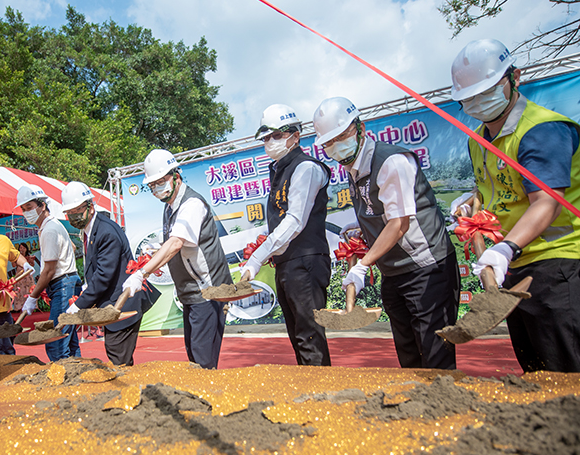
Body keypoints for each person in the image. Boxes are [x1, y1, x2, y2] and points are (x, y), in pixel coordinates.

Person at [450, 39, 580, 373]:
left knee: (564, 372)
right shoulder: (477, 140)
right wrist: (469, 205)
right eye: (469, 97)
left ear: (515, 77)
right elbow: (488, 191)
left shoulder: (541, 130)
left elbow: (546, 202)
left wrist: (505, 248)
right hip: (514, 267)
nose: (479, 102)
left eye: (487, 90)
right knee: (535, 370)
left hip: (558, 263)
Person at [313, 97, 459, 370]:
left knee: (435, 352)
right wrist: (362, 227)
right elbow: (380, 211)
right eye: (328, 142)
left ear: (361, 128)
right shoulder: (353, 169)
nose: (336, 145)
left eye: (342, 135)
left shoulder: (391, 161)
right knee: (408, 353)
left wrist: (363, 265)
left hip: (426, 268)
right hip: (394, 271)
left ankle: (447, 409)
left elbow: (399, 224)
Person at [122, 149, 232, 369]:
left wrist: (141, 273)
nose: (156, 188)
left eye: (160, 181)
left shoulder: (191, 204)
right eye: (152, 185)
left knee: (203, 361)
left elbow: (176, 243)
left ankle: (211, 399)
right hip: (190, 292)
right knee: (194, 356)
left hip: (207, 291)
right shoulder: (170, 207)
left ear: (176, 175)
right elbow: (176, 244)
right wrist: (158, 251)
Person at [241, 104, 332, 366]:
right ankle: (310, 393)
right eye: (266, 138)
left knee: (309, 336)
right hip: (287, 264)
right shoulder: (279, 170)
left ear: (295, 136)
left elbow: (294, 221)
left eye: (277, 136)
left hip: (305, 262)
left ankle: (325, 397)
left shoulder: (306, 168)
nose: (270, 142)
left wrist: (257, 258)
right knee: (297, 335)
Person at [61, 181, 159, 366]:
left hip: (122, 303)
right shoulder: (92, 230)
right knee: (115, 352)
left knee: (118, 357)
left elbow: (104, 276)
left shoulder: (106, 232)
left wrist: (79, 305)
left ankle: (130, 392)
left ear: (90, 206)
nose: (74, 216)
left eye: (77, 210)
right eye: (70, 213)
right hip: (112, 303)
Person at [16, 184, 81, 361]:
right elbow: (73, 247)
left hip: (63, 284)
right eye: (23, 209)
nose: (26, 212)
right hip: (67, 280)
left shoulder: (50, 230)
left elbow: (49, 270)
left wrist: (33, 296)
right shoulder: (52, 225)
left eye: (29, 207)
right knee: (68, 334)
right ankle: (78, 371)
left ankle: (61, 376)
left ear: (42, 205)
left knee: (55, 338)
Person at [0, 233, 34, 355]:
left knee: (7, 346)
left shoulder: (2, 240)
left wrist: (25, 264)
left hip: (1, 304)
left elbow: (16, 256)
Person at [12, 242, 37, 312]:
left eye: (23, 248)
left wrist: (30, 260)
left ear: (26, 249)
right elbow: (13, 265)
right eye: (20, 248)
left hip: (27, 276)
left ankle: (28, 307)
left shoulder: (29, 256)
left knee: (28, 290)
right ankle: (19, 307)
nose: (21, 249)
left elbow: (32, 265)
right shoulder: (17, 257)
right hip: (20, 275)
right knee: (20, 291)